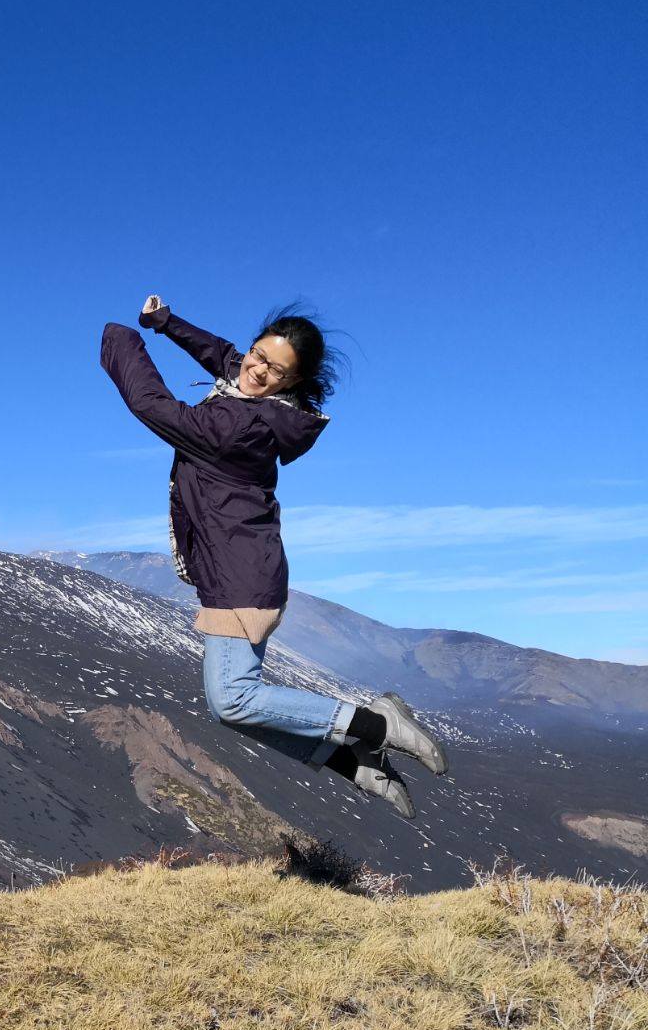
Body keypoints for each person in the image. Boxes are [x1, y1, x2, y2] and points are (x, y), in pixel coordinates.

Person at [98, 295, 448, 818]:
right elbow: (222, 355)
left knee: (233, 700)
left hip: (243, 577)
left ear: (291, 385)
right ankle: (352, 763)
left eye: (275, 370)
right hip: (233, 571)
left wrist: (119, 339)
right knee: (233, 708)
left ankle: (377, 725)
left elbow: (152, 405)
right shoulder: (249, 388)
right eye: (258, 355)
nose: (257, 370)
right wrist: (165, 323)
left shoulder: (242, 426)